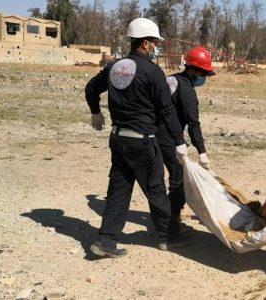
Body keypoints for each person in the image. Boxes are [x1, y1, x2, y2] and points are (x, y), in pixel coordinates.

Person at [84, 18, 191, 258]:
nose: (156, 47)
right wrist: (180, 142)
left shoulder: (114, 67)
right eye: (154, 43)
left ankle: (106, 241)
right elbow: (166, 111)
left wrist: (95, 112)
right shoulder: (153, 72)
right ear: (144, 44)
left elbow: (91, 88)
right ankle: (167, 237)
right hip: (143, 142)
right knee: (156, 191)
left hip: (119, 139)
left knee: (119, 190)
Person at [156, 46, 215, 229]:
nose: (204, 77)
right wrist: (202, 152)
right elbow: (193, 124)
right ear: (192, 70)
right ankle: (170, 225)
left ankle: (165, 218)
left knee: (157, 180)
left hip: (152, 134)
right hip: (168, 138)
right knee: (180, 181)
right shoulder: (187, 89)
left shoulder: (171, 79)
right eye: (203, 72)